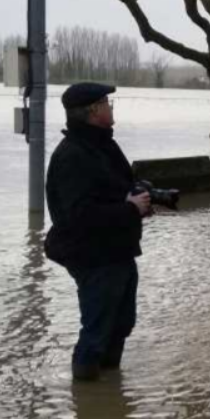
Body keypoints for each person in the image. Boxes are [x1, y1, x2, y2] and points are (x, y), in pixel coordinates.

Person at [44, 83, 151, 382]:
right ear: (93, 110)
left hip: (117, 249)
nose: (111, 107)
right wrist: (130, 209)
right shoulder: (72, 156)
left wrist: (141, 200)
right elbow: (77, 216)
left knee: (121, 323)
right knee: (97, 331)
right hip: (93, 255)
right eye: (107, 102)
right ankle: (89, 405)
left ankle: (109, 389)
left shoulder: (103, 144)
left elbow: (117, 188)